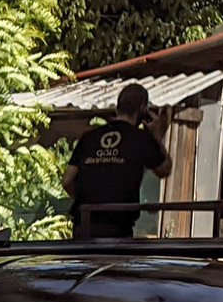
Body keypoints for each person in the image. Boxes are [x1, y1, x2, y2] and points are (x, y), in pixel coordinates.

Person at [62, 83, 171, 239]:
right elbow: (164, 169)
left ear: (118, 106)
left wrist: (91, 204)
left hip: (83, 227)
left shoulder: (89, 137)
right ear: (142, 110)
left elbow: (67, 181)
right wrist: (157, 137)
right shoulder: (140, 139)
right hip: (118, 230)